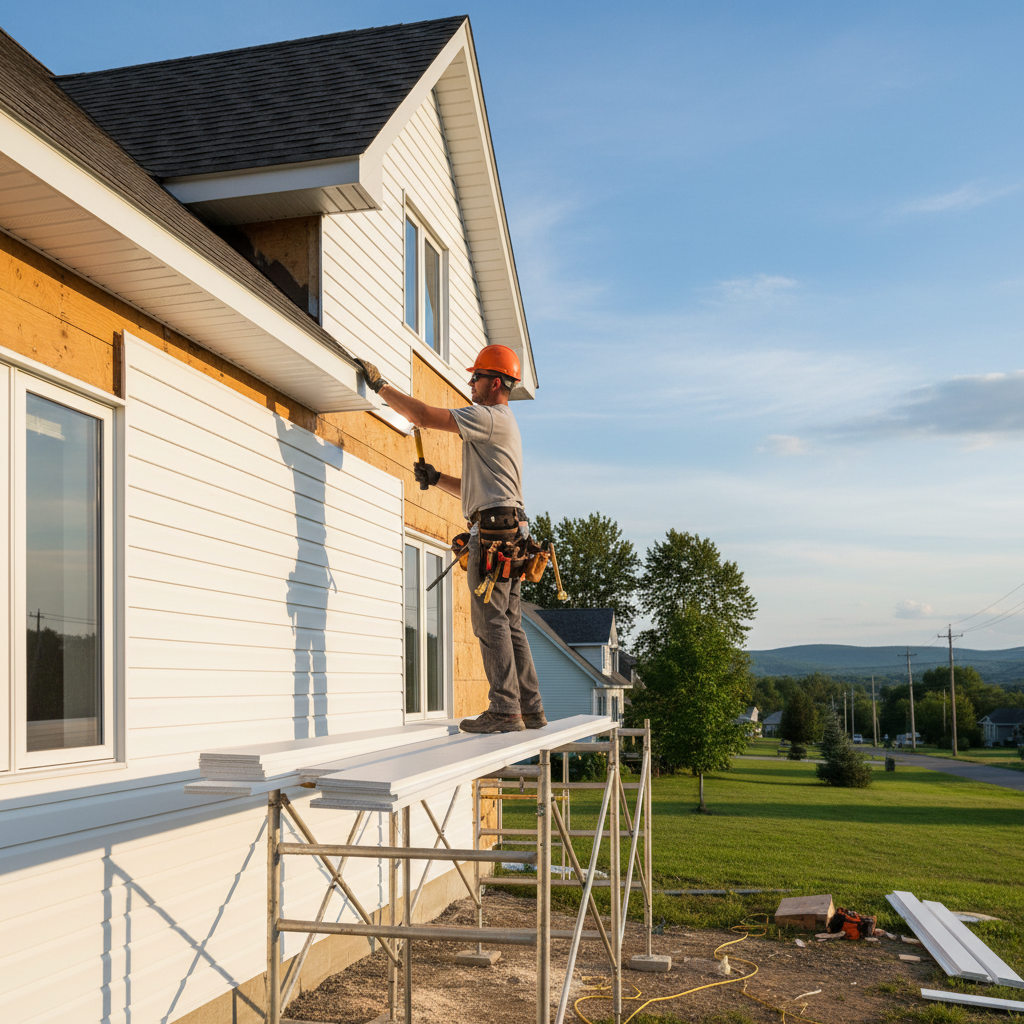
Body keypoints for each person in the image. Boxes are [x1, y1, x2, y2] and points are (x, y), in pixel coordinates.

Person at [355, 345, 547, 734]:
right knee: (509, 623)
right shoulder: (502, 425)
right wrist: (437, 478)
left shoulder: (489, 417)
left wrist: (381, 386)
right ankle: (529, 709)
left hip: (494, 533)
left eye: (475, 378)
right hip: (508, 527)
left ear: (495, 383)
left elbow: (422, 416)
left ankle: (505, 710)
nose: (470, 384)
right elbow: (479, 491)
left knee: (490, 621)